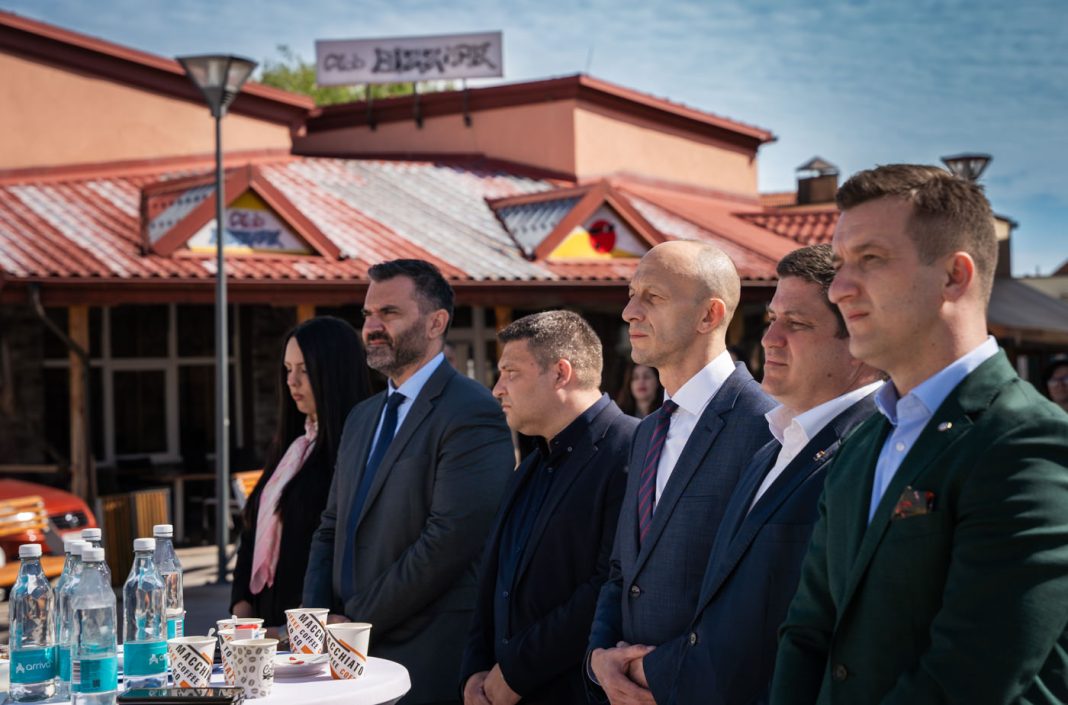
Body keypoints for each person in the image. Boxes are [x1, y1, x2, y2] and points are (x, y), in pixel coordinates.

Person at [771, 165, 1068, 704]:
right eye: (839, 264)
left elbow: (969, 675)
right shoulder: (862, 444)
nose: (839, 288)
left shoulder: (1029, 443)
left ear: (954, 276)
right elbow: (808, 631)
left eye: (870, 259)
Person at [642, 244, 883, 704]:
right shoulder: (773, 447)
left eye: (797, 323)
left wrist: (655, 675)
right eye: (772, 319)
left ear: (859, 341)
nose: (770, 338)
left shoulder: (869, 454)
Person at [302, 259, 515, 705]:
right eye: (368, 315)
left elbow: (449, 541)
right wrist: (314, 620)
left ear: (436, 322)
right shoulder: (362, 417)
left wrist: (355, 621)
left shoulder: (471, 410)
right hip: (342, 649)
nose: (372, 327)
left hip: (425, 653)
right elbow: (330, 526)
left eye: (390, 313)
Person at [587, 240, 775, 705]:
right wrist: (599, 659)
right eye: (631, 294)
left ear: (709, 315)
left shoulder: (767, 425)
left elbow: (759, 594)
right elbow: (622, 570)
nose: (630, 311)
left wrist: (660, 675)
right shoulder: (648, 431)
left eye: (653, 297)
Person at [460, 311, 638, 705]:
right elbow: (494, 578)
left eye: (511, 373)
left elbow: (609, 584)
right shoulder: (532, 463)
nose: (497, 389)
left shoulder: (630, 448)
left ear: (560, 373)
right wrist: (474, 671)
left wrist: (516, 673)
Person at [230, 316, 370, 630]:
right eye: (288, 369)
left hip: (315, 630)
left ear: (335, 372)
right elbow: (252, 531)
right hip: (263, 630)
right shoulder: (294, 446)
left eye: (304, 370)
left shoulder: (356, 451)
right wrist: (243, 614)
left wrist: (292, 628)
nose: (291, 381)